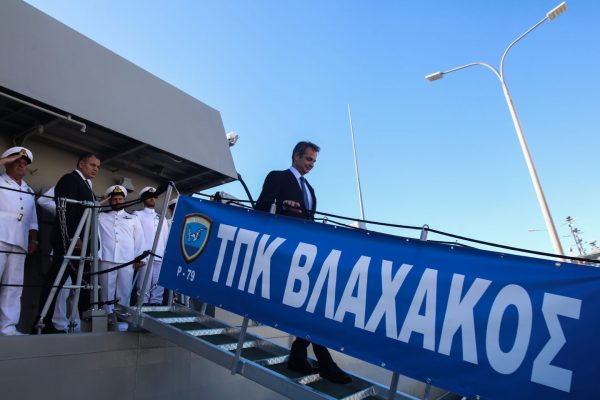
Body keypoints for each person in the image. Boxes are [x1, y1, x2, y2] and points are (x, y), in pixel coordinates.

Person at [255, 141, 352, 384]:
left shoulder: (310, 190)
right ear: (296, 156)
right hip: (282, 253)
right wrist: (281, 207)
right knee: (310, 305)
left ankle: (299, 354)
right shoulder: (277, 177)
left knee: (312, 304)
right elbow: (260, 210)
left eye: (314, 161)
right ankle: (323, 363)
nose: (311, 165)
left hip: (304, 254)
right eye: (308, 159)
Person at [38, 152, 100, 333]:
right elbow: (66, 210)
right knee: (55, 283)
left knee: (84, 286)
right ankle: (43, 323)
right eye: (92, 165)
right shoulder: (70, 180)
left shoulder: (87, 185)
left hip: (82, 246)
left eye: (98, 166)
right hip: (70, 244)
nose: (96, 169)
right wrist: (73, 237)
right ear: (81, 164)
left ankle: (85, 325)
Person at [0, 147, 38, 335]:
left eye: (24, 164)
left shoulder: (29, 190)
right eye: (17, 162)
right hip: (0, 237)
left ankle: (7, 327)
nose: (21, 166)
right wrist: (3, 161)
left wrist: (33, 240)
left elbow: (33, 220)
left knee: (13, 286)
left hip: (20, 242)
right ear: (7, 163)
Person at [98, 185, 143, 318]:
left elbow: (139, 239)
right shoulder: (101, 216)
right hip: (107, 257)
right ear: (110, 201)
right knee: (106, 291)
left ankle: (122, 318)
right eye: (114, 199)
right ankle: (108, 317)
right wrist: (101, 201)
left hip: (127, 260)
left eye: (120, 199)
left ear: (124, 200)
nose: (117, 201)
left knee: (124, 291)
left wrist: (139, 258)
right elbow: (90, 212)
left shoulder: (133, 218)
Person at [133, 186, 169, 305]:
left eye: (154, 196)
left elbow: (165, 237)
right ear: (143, 199)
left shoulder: (162, 217)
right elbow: (136, 237)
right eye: (149, 197)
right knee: (144, 284)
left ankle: (156, 305)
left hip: (159, 255)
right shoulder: (137, 214)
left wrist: (165, 255)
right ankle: (142, 306)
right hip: (145, 255)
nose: (152, 199)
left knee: (158, 285)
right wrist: (137, 256)